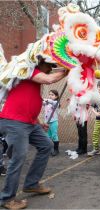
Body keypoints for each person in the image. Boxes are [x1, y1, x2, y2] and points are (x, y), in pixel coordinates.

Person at [0, 57, 66, 209]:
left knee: (46, 145)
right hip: (14, 122)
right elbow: (50, 79)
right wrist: (69, 71)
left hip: (29, 122)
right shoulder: (27, 71)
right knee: (18, 157)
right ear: (39, 64)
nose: (50, 68)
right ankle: (6, 198)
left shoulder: (35, 84)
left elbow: (27, 104)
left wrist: (39, 122)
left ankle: (31, 184)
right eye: (49, 65)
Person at [43, 90, 60, 156]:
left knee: (54, 135)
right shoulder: (46, 103)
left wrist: (46, 100)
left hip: (53, 122)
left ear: (56, 96)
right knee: (48, 136)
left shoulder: (56, 103)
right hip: (47, 122)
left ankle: (56, 150)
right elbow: (42, 102)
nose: (50, 96)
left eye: (52, 95)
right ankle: (49, 149)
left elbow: (52, 102)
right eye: (49, 94)